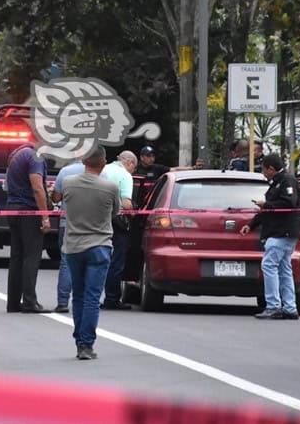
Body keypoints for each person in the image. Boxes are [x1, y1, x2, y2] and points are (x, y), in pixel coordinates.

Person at [63, 146, 120, 360]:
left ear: (84, 161)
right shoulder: (111, 187)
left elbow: (60, 200)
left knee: (77, 294)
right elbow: (115, 212)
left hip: (74, 247)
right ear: (103, 163)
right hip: (99, 246)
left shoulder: (69, 183)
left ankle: (80, 340)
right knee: (92, 297)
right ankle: (86, 344)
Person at [240, 153, 300, 320]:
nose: (263, 174)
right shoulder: (276, 183)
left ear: (271, 169)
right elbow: (267, 211)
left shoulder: (287, 181)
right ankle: (289, 307)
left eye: (264, 170)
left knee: (268, 265)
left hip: (282, 232)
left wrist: (266, 204)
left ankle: (274, 306)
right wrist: (251, 224)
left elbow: (289, 203)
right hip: (280, 232)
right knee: (284, 269)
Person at [4, 143, 52, 313]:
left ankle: (13, 302)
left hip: (13, 208)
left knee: (17, 257)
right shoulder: (35, 158)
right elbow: (37, 188)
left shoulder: (18, 154)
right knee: (32, 256)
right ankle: (30, 302)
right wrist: (45, 216)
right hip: (28, 211)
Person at [100, 151, 137, 310]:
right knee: (117, 261)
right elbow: (126, 203)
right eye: (134, 168)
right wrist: (134, 211)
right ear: (129, 163)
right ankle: (112, 298)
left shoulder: (103, 170)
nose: (133, 171)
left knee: (98, 258)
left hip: (98, 219)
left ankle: (91, 297)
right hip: (117, 221)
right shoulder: (125, 175)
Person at [51, 160, 85, 313]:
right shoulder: (102, 173)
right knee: (89, 263)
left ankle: (63, 302)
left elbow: (56, 198)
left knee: (67, 262)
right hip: (92, 226)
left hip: (68, 223)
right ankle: (84, 301)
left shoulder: (65, 171)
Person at [135, 146, 204, 182]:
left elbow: (175, 169)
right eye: (148, 156)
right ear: (142, 157)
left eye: (153, 156)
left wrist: (193, 168)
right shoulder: (135, 169)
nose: (151, 159)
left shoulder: (157, 168)